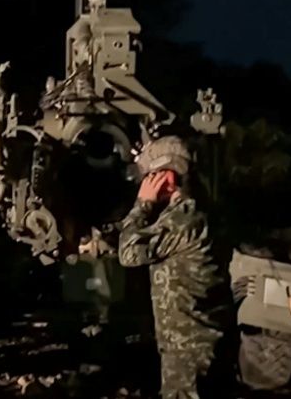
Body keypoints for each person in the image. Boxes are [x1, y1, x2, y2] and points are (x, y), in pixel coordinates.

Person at [117, 135, 236, 399]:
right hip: (203, 342)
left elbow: (128, 253)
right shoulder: (202, 213)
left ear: (166, 179)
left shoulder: (182, 220)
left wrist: (143, 204)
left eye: (150, 177)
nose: (144, 184)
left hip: (189, 350)